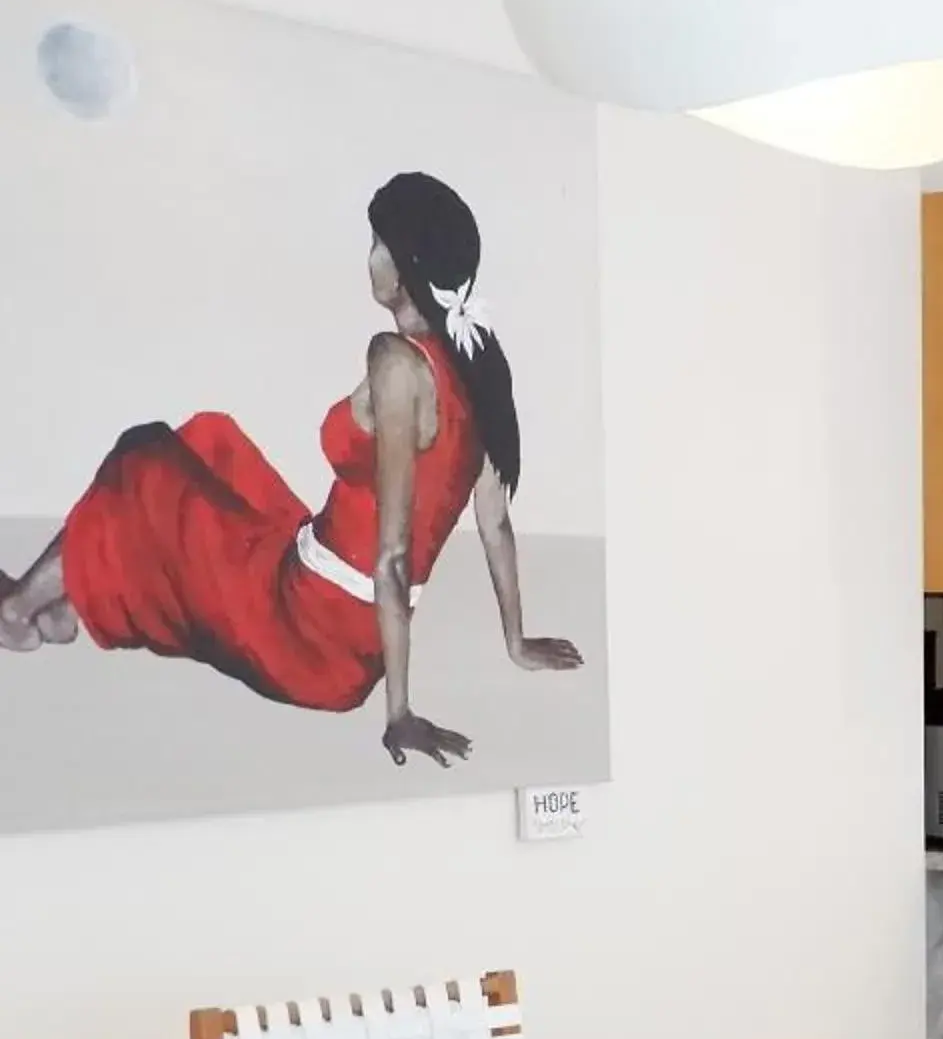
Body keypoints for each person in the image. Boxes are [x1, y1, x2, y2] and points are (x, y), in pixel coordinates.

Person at [0, 171, 581, 765]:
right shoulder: (479, 364)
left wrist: (400, 713)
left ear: (404, 266)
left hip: (307, 627)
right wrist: (516, 642)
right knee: (212, 445)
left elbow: (394, 554)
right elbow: (496, 525)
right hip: (346, 630)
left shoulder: (398, 363)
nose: (370, 258)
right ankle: (71, 605)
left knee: (143, 459)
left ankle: (16, 611)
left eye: (377, 243)